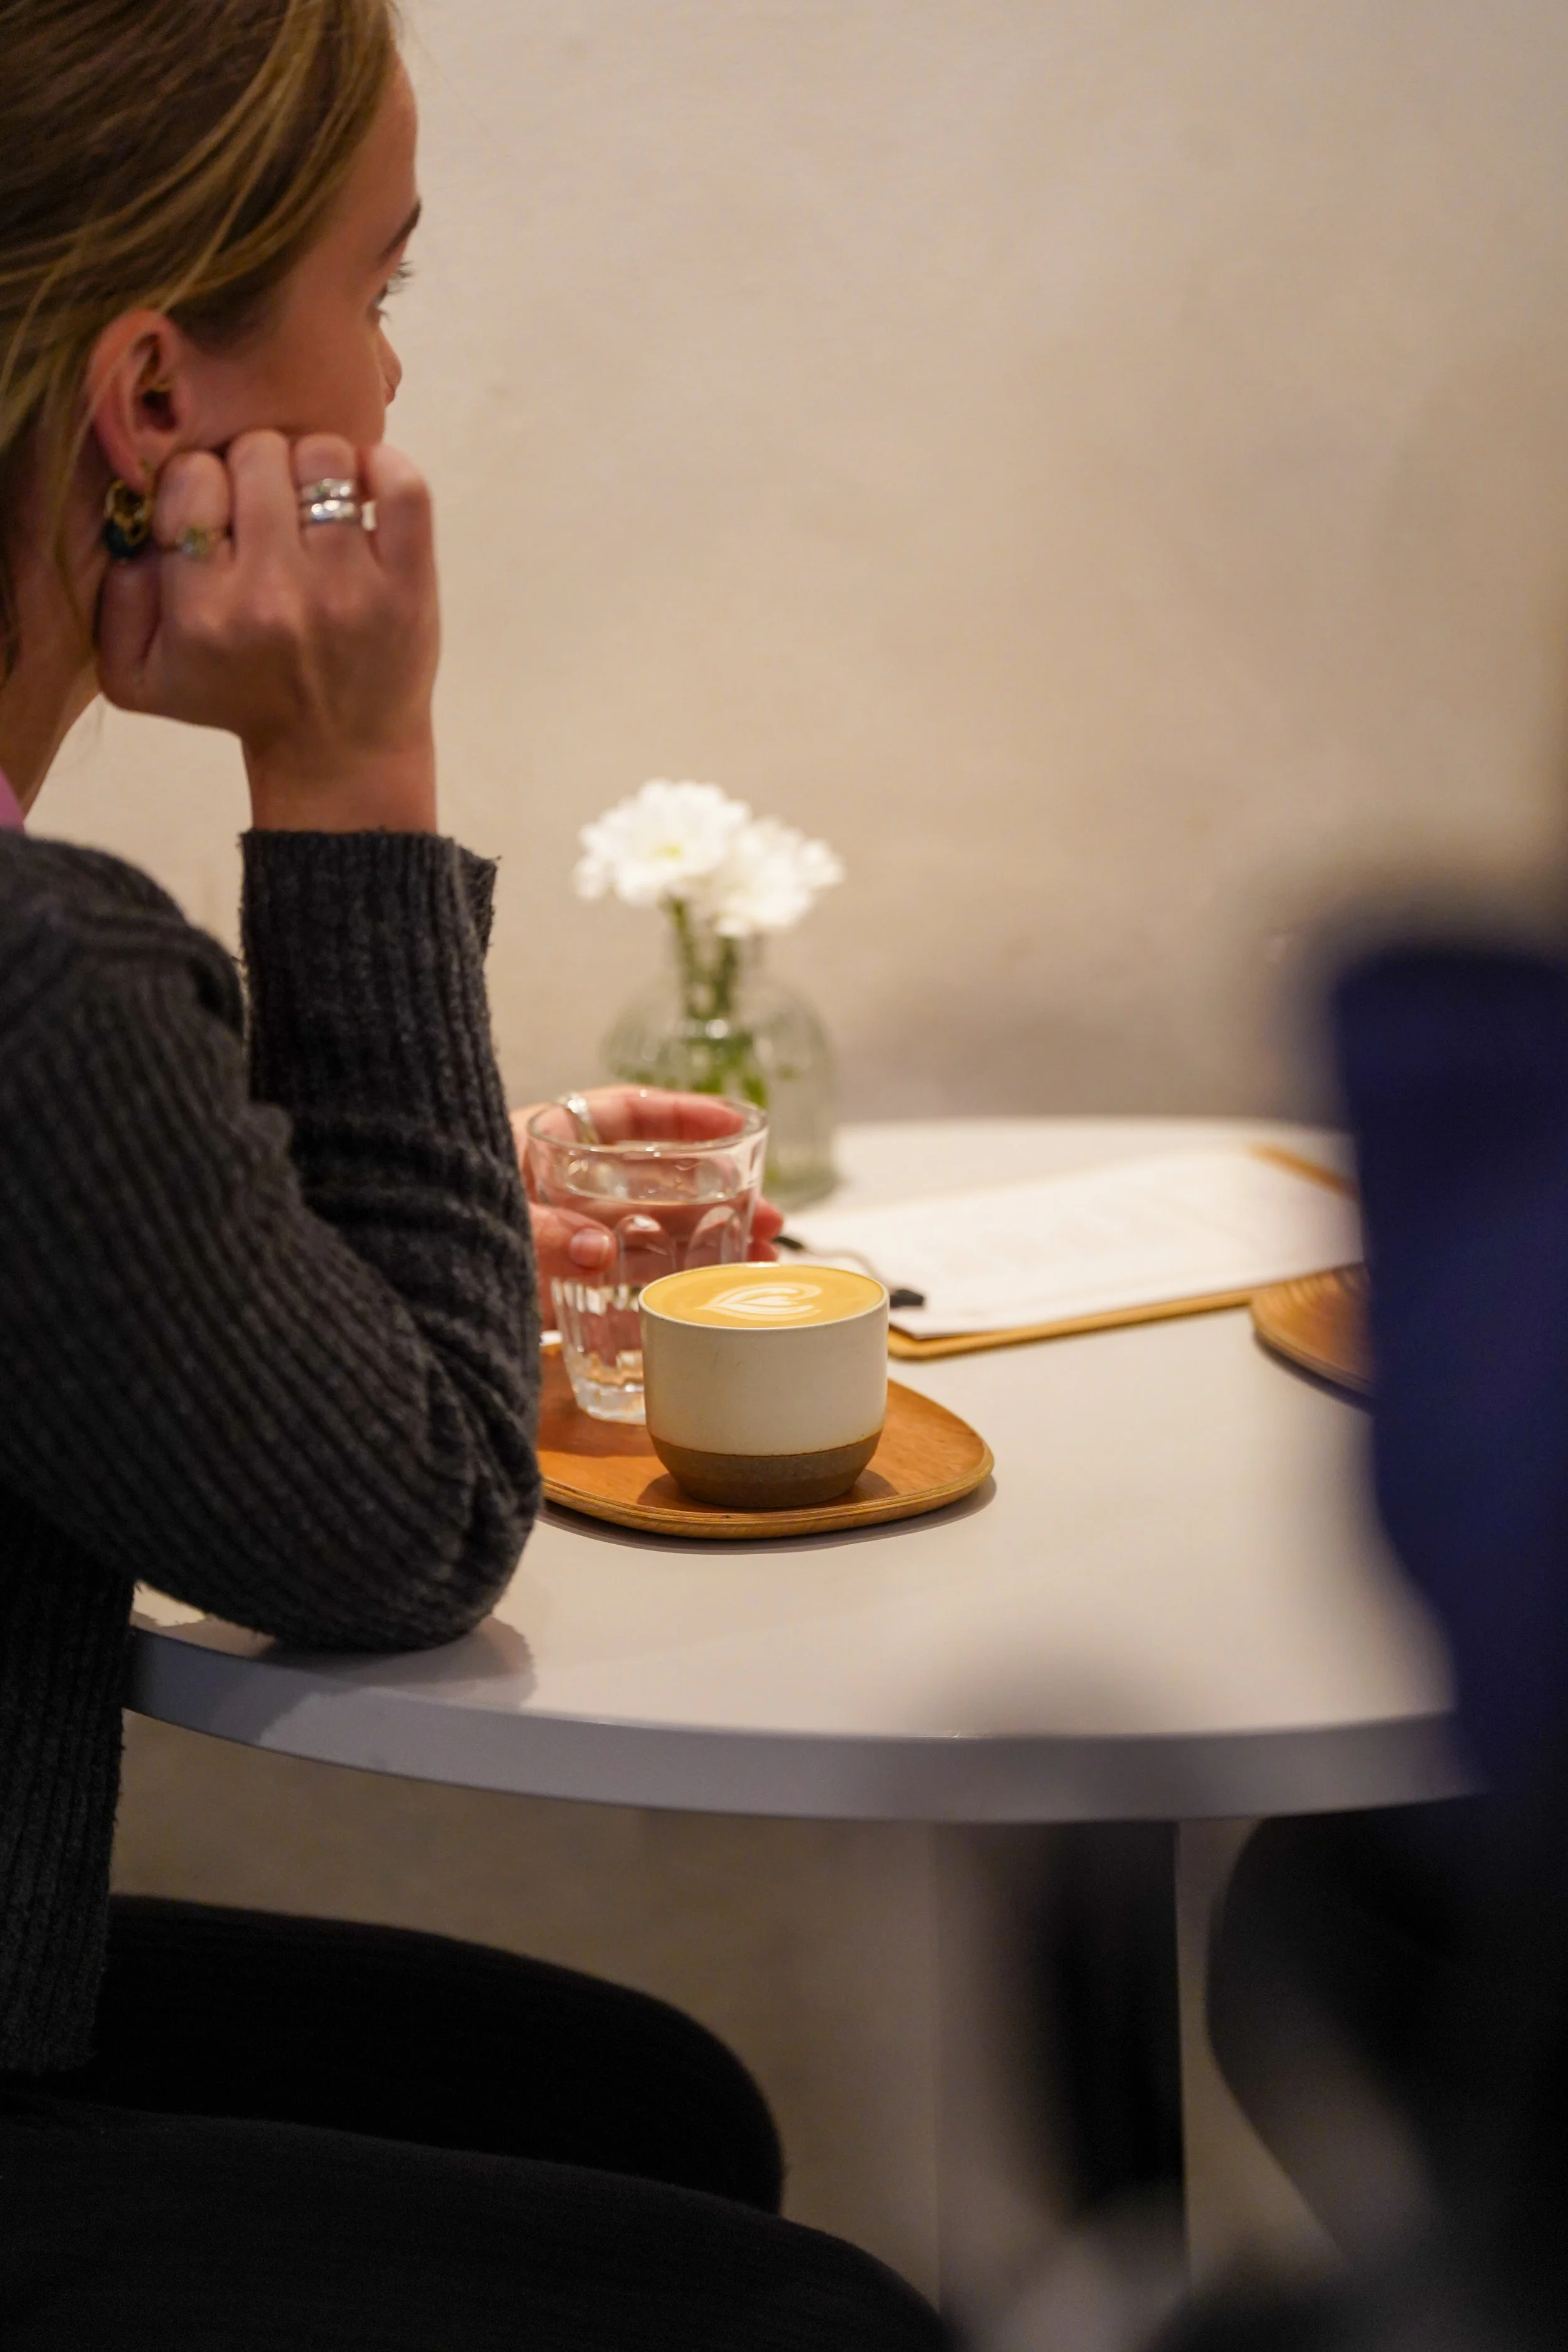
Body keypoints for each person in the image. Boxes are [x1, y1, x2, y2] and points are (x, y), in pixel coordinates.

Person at [0, 1, 942, 2343]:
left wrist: (299, 1233)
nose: (394, 377)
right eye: (380, 283)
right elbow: (404, 1533)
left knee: (633, 2103)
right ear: (150, 401)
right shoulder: (40, 985)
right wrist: (355, 769)